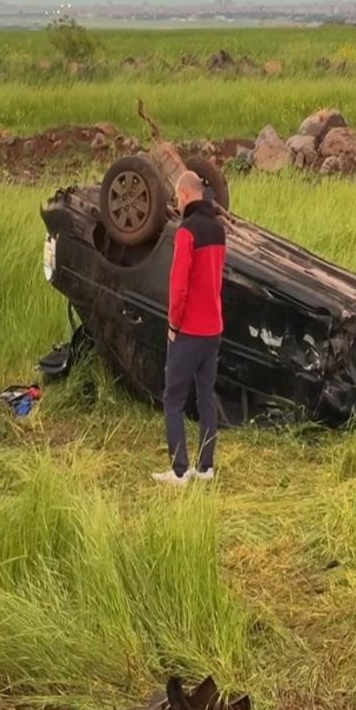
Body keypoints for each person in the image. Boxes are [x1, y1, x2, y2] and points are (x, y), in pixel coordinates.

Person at [152, 172, 226, 486]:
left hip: (190, 329)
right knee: (206, 396)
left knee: (173, 398)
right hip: (214, 328)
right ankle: (206, 468)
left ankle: (180, 471)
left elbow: (178, 285)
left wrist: (172, 324)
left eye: (177, 198)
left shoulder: (187, 231)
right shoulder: (219, 229)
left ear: (184, 195)